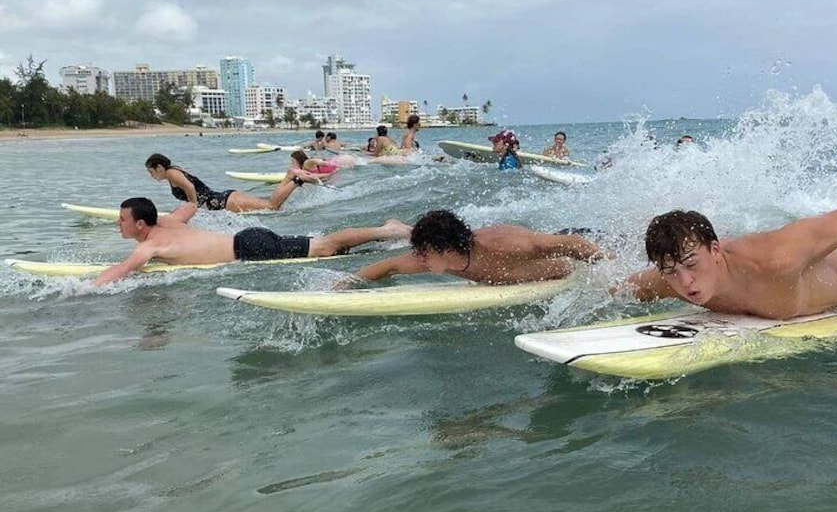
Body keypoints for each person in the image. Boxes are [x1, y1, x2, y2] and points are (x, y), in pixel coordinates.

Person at [92, 197, 412, 286]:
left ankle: (389, 230)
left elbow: (122, 271)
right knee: (328, 249)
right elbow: (190, 205)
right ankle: (383, 235)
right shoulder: (170, 222)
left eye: (122, 220)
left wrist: (83, 287)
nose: (117, 224)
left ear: (140, 224)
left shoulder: (149, 247)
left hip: (250, 249)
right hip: (248, 242)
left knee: (326, 246)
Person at [623, 208, 837, 319]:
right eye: (670, 271)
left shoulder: (775, 259)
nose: (685, 281)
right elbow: (622, 290)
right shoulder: (668, 281)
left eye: (692, 264)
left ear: (715, 250)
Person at [353, 210, 607, 285]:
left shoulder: (505, 246)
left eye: (423, 251)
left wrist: (611, 265)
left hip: (575, 242)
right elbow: (387, 267)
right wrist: (344, 288)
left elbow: (573, 244)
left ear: (445, 249)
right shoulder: (433, 259)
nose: (418, 257)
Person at [144, 153, 274, 213]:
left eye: (151, 172)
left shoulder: (172, 173)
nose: (151, 176)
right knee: (271, 206)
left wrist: (192, 209)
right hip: (223, 199)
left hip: (222, 202)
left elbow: (190, 188)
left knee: (272, 207)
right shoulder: (175, 171)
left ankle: (292, 179)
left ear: (160, 168)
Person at [268, 150, 358, 207]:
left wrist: (327, 165)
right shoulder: (301, 169)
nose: (292, 163)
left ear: (297, 160)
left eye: (293, 161)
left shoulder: (307, 163)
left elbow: (319, 164)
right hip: (328, 176)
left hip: (332, 174)